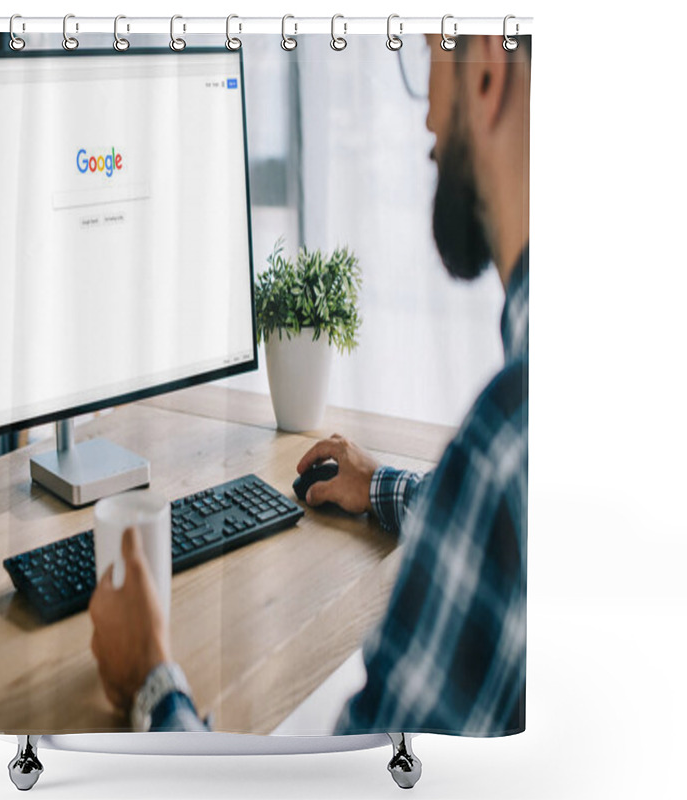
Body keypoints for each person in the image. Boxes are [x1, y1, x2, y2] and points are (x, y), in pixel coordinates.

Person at [89, 33, 530, 736]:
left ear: (484, 69)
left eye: (427, 69)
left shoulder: (510, 442)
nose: (425, 121)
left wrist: (151, 680)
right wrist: (392, 487)